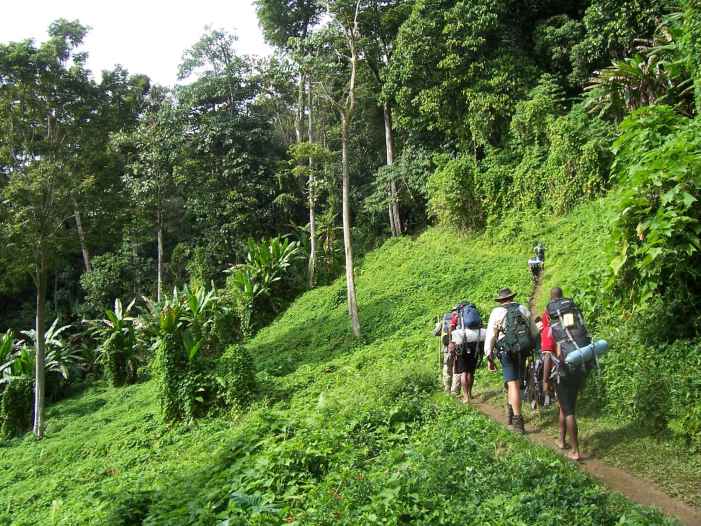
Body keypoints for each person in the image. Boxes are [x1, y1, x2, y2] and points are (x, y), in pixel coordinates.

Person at [484, 288, 537, 434]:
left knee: (512, 383)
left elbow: (490, 337)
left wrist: (489, 357)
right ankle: (510, 413)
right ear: (512, 298)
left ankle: (518, 421)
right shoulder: (523, 309)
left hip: (506, 351)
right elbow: (534, 332)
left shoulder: (497, 312)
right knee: (516, 383)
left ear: (501, 301)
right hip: (523, 350)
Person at [547, 287, 585, 461]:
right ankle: (562, 440)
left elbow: (549, 354)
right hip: (580, 362)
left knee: (568, 410)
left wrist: (544, 380)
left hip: (563, 369)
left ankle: (575, 451)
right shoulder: (573, 319)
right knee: (566, 404)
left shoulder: (554, 327)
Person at [449, 303, 481, 404]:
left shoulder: (457, 316)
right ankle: (470, 393)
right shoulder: (475, 315)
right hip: (475, 345)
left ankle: (466, 396)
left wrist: (451, 342)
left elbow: (451, 329)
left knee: (464, 372)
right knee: (471, 371)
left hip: (461, 346)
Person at [433, 308, 459, 395]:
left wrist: (437, 325)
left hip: (447, 347)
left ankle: (447, 388)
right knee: (456, 368)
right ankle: (455, 390)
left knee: (447, 367)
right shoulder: (461, 318)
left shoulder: (445, 319)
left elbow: (435, 333)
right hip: (459, 346)